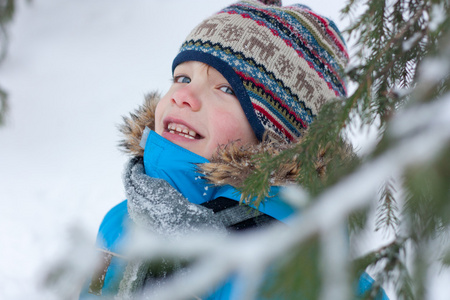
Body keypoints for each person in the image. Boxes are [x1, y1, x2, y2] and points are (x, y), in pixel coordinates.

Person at [79, 0, 389, 299]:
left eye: (225, 89)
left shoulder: (282, 267)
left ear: (276, 140)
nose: (183, 95)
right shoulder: (122, 219)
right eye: (182, 77)